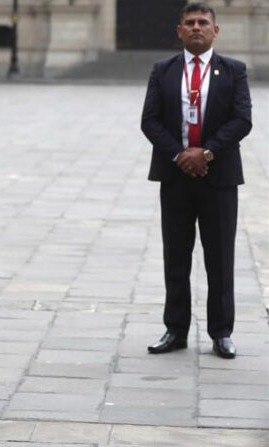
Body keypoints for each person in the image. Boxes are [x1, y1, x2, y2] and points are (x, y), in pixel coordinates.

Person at [141, 2, 252, 359]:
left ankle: (221, 333)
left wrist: (205, 153)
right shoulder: (163, 70)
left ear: (215, 30)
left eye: (203, 22)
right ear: (179, 30)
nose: (196, 28)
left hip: (218, 178)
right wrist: (180, 155)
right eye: (189, 23)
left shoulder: (233, 70)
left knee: (219, 257)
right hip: (175, 177)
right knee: (176, 257)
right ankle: (175, 330)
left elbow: (241, 119)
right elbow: (150, 120)